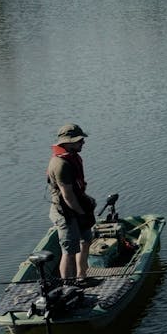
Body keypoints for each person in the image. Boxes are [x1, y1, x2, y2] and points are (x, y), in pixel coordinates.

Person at [46, 123, 97, 287]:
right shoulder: (61, 164)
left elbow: (76, 189)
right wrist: (82, 214)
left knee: (86, 240)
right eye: (79, 140)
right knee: (69, 250)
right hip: (65, 212)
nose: (83, 143)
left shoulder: (72, 156)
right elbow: (67, 195)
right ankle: (68, 285)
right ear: (67, 142)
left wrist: (87, 201)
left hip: (77, 206)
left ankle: (81, 276)